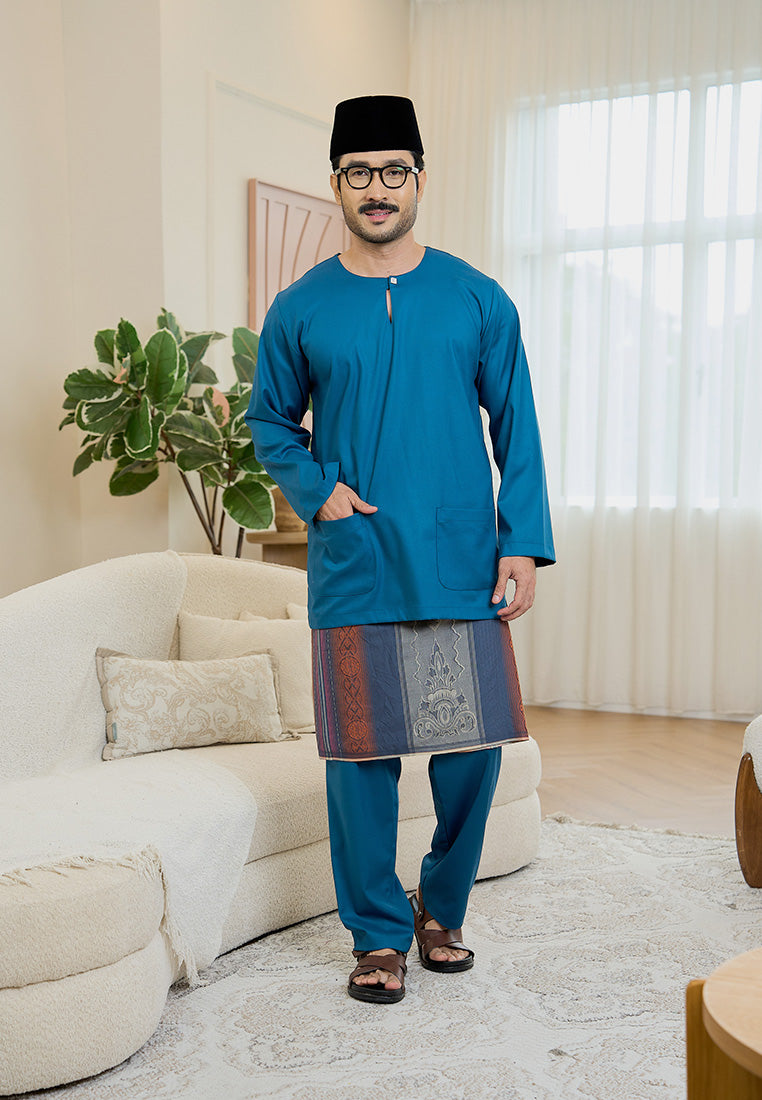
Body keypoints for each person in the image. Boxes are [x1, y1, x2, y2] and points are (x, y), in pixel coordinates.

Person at [245, 94, 555, 1004]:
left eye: (393, 171)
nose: (376, 189)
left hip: (462, 561)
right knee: (361, 762)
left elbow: (519, 430)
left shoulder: (476, 296)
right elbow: (270, 422)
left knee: (473, 755)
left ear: (419, 178)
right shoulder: (301, 308)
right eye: (358, 172)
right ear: (334, 183)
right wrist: (317, 490)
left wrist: (522, 545)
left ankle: (441, 909)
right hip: (357, 564)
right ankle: (377, 935)